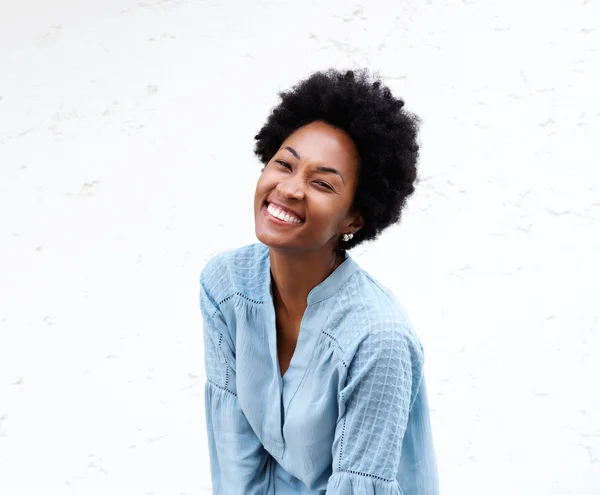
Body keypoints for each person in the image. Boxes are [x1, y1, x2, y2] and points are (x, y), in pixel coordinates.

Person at [199, 69, 439, 494]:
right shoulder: (226, 288)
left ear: (354, 217)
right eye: (284, 164)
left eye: (322, 183)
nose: (290, 189)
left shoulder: (376, 338)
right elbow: (234, 460)